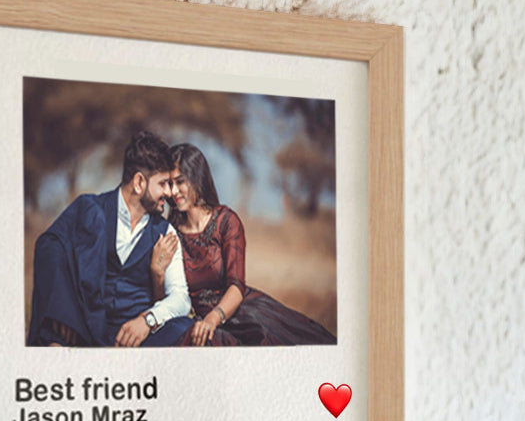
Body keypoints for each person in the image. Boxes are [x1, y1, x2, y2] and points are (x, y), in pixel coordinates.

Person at [150, 143, 336, 347]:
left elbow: (236, 286)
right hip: (196, 324)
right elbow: (168, 300)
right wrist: (157, 273)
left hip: (241, 315)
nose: (173, 191)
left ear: (196, 177)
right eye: (169, 183)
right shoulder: (169, 231)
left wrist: (213, 319)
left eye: (180, 182)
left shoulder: (226, 221)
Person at [27, 131, 194, 347]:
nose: (170, 192)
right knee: (54, 344)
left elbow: (181, 298)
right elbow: (48, 247)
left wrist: (147, 321)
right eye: (163, 184)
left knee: (184, 329)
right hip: (88, 327)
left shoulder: (166, 232)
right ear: (139, 182)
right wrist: (63, 314)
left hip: (138, 335)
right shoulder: (90, 209)